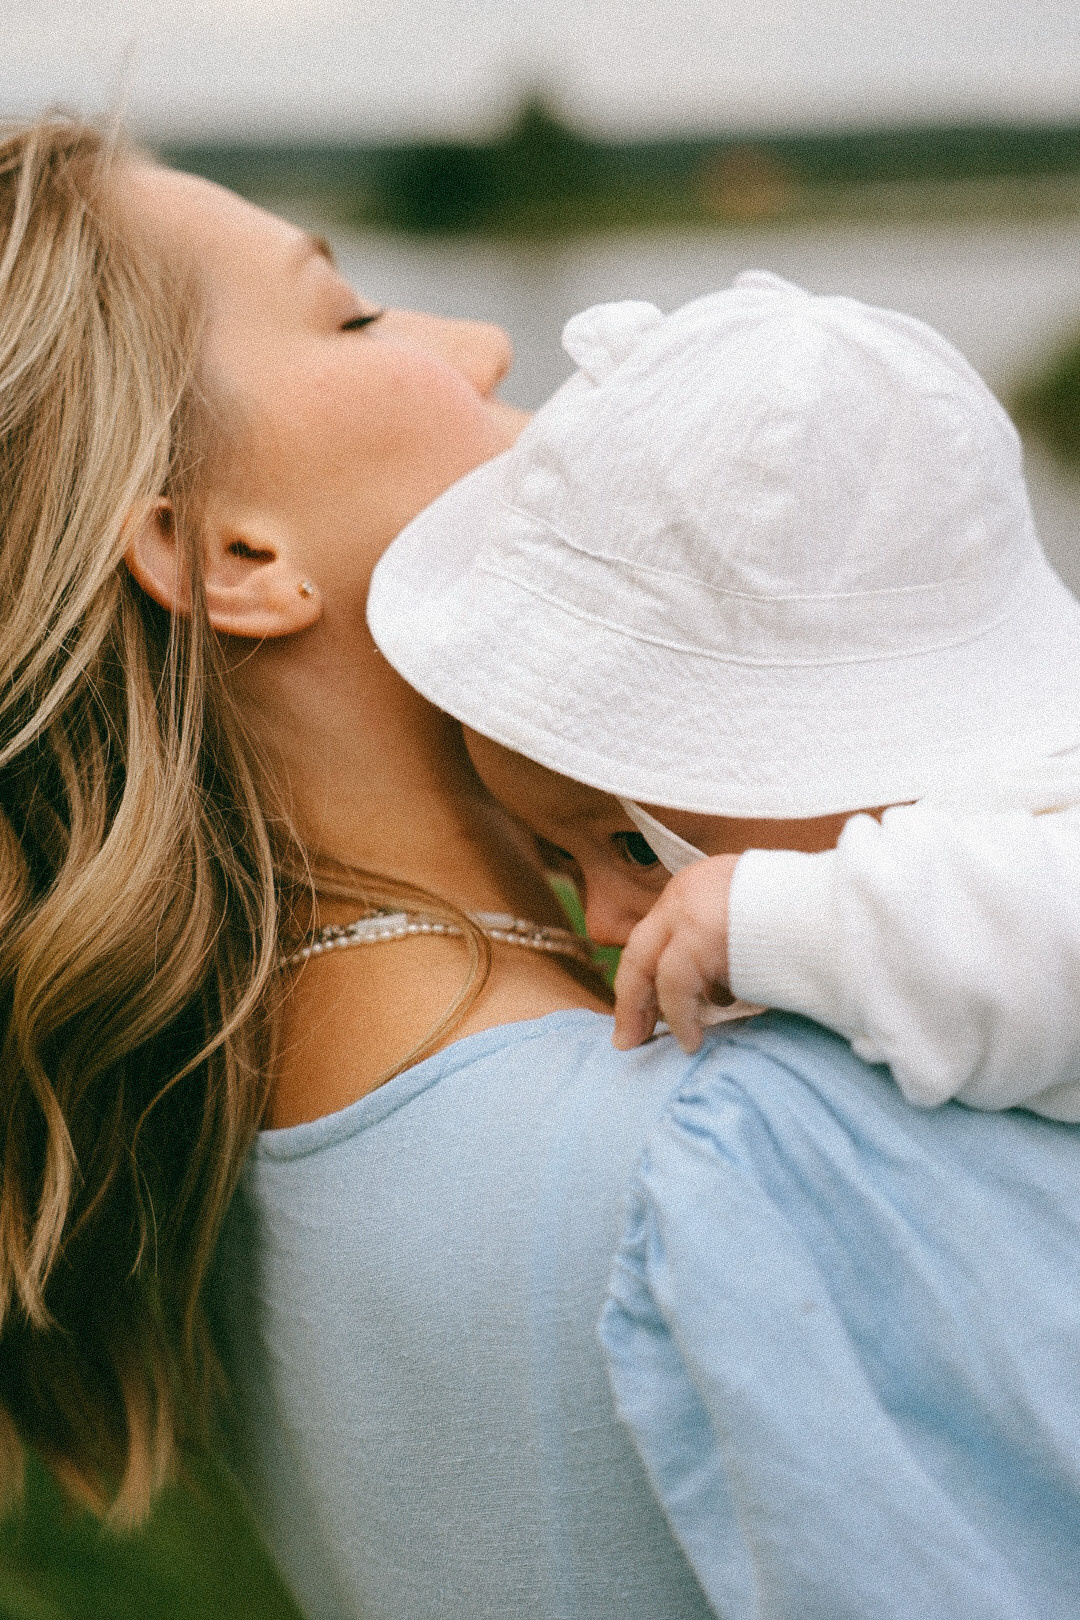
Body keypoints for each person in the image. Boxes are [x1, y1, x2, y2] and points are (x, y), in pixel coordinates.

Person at [4, 117, 1080, 1620]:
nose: (487, 342)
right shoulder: (753, 1151)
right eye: (352, 314)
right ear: (230, 557)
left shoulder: (244, 1173)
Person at [368, 276, 1080, 1118]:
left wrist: (787, 921)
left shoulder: (1034, 819)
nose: (598, 924)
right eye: (559, 859)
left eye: (635, 848)